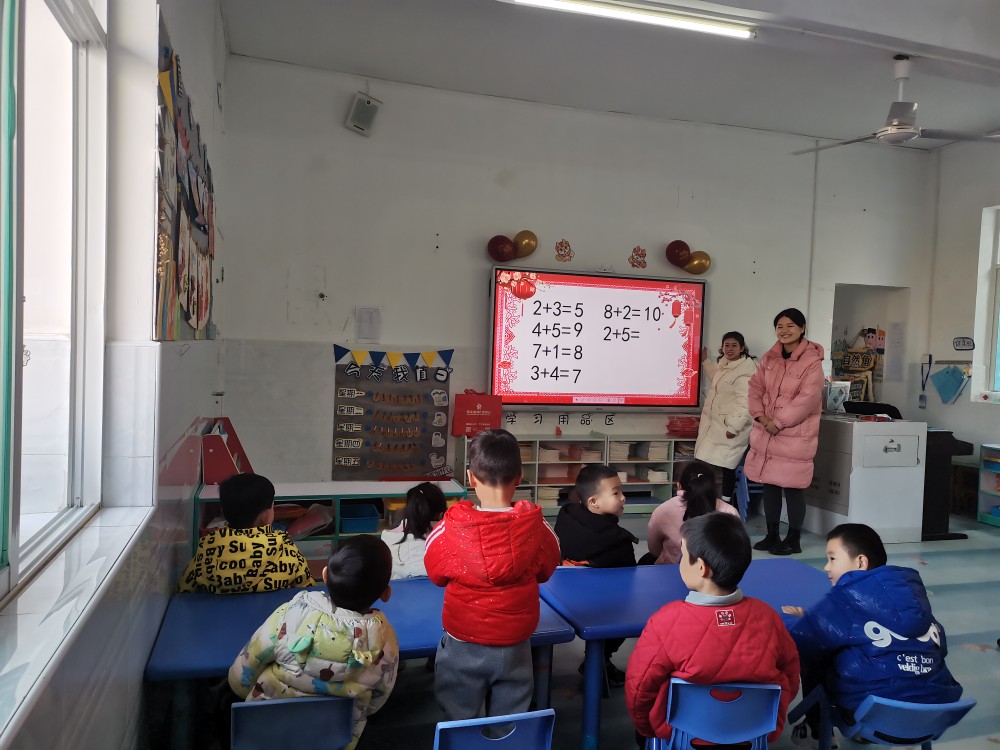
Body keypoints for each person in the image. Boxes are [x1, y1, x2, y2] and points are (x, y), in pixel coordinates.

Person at [626, 512, 800, 747]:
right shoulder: (769, 618)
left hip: (682, 735)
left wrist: (645, 729)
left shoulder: (664, 622)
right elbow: (791, 676)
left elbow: (639, 689)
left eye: (683, 556)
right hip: (752, 733)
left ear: (701, 567)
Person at [782, 523, 962, 746]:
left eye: (832, 558)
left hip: (872, 717)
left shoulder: (847, 597)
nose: (827, 567)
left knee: (818, 654)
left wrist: (802, 620)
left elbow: (802, 640)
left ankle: (816, 729)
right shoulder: (914, 597)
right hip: (933, 717)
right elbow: (941, 648)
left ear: (860, 562)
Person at [424, 428, 561, 720]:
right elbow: (547, 569)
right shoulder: (538, 528)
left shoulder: (450, 528)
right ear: (519, 476)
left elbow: (435, 574)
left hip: (462, 641)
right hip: (516, 644)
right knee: (509, 721)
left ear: (471, 478)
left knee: (458, 718)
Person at [228, 535, 399, 750]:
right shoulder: (386, 641)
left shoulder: (289, 615)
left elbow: (243, 673)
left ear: (324, 575)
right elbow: (377, 701)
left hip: (264, 734)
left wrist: (242, 691)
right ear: (386, 594)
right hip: (333, 740)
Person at [745, 308, 824, 555]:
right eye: (780, 326)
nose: (784, 330)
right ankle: (772, 535)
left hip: (794, 434)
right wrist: (760, 415)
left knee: (793, 487)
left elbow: (807, 399)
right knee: (769, 484)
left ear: (802, 329)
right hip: (767, 429)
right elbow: (755, 387)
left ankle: (793, 539)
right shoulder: (769, 358)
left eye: (790, 325)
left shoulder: (812, 362)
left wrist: (778, 422)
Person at [554, 464, 637, 685]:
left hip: (558, 595)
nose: (623, 498)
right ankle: (602, 657)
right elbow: (630, 580)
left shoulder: (566, 516)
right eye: (616, 493)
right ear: (593, 502)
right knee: (628, 607)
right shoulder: (618, 542)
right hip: (599, 606)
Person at [177, 472, 315, 593]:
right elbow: (308, 590)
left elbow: (185, 589)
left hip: (221, 614)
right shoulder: (285, 548)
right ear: (266, 516)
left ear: (223, 512)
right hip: (276, 614)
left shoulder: (208, 547)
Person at [695, 331, 756, 507]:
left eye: (734, 346)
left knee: (728, 466)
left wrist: (734, 427)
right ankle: (703, 500)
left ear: (742, 348)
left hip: (731, 428)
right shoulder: (725, 365)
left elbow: (746, 403)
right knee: (704, 462)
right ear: (722, 348)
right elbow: (717, 378)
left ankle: (726, 505)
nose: (729, 349)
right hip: (717, 426)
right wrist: (705, 361)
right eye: (726, 345)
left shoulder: (745, 372)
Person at [646, 460, 739, 565]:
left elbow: (654, 549)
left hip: (670, 569)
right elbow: (735, 553)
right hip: (718, 572)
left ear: (679, 485)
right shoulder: (731, 512)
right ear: (713, 487)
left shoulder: (663, 510)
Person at [380, 481, 447, 579]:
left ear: (408, 510)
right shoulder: (450, 543)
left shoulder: (387, 541)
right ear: (441, 515)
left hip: (399, 588)